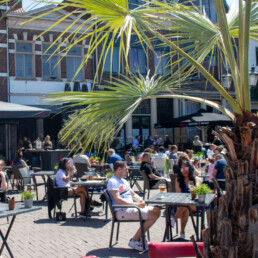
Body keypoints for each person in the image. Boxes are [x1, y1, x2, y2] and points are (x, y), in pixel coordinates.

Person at [108, 161, 160, 251]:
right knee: (152, 214)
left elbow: (133, 194)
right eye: (126, 168)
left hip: (131, 208)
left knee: (157, 211)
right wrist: (136, 204)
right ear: (119, 169)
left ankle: (140, 238)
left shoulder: (124, 181)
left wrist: (141, 200)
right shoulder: (112, 181)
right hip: (121, 210)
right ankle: (135, 240)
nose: (128, 170)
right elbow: (118, 200)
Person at [172, 160, 201, 239]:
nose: (184, 170)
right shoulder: (178, 180)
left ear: (190, 169)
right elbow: (179, 194)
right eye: (182, 168)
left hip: (194, 204)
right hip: (182, 204)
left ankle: (174, 219)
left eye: (186, 168)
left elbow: (197, 190)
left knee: (186, 204)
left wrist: (194, 189)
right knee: (186, 206)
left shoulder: (196, 179)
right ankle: (182, 233)